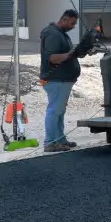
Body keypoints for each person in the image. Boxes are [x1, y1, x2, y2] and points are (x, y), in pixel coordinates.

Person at [39, 10, 81, 152]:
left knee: (59, 111)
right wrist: (71, 55)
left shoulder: (60, 33)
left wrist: (77, 53)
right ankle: (50, 142)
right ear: (64, 19)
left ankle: (60, 139)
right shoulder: (54, 34)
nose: (73, 26)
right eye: (72, 23)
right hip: (56, 79)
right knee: (55, 110)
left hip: (61, 79)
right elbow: (52, 58)